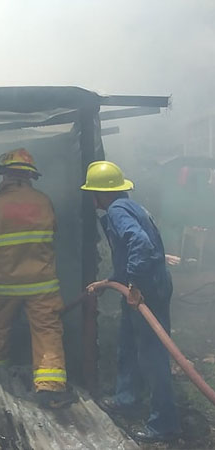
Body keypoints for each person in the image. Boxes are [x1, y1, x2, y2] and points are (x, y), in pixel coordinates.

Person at [0, 148, 73, 409]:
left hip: (4, 284)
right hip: (42, 284)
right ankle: (50, 388)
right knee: (47, 332)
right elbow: (54, 231)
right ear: (30, 177)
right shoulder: (44, 202)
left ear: (4, 175)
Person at [83, 160, 180, 443]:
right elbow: (128, 255)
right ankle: (127, 398)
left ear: (101, 193)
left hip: (147, 289)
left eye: (92, 191)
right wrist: (108, 282)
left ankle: (165, 423)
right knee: (128, 343)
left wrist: (134, 285)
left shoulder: (116, 210)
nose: (91, 197)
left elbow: (140, 244)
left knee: (153, 355)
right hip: (140, 286)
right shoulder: (128, 206)